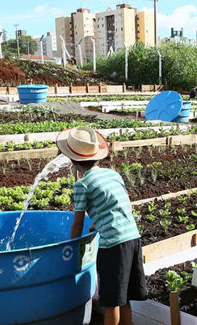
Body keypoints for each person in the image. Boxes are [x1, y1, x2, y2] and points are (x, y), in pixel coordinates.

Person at [58, 126, 147, 325]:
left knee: (111, 301)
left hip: (113, 246)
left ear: (72, 160)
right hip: (132, 238)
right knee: (124, 298)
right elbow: (118, 205)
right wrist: (97, 225)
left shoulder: (82, 185)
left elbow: (77, 222)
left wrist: (72, 247)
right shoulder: (112, 174)